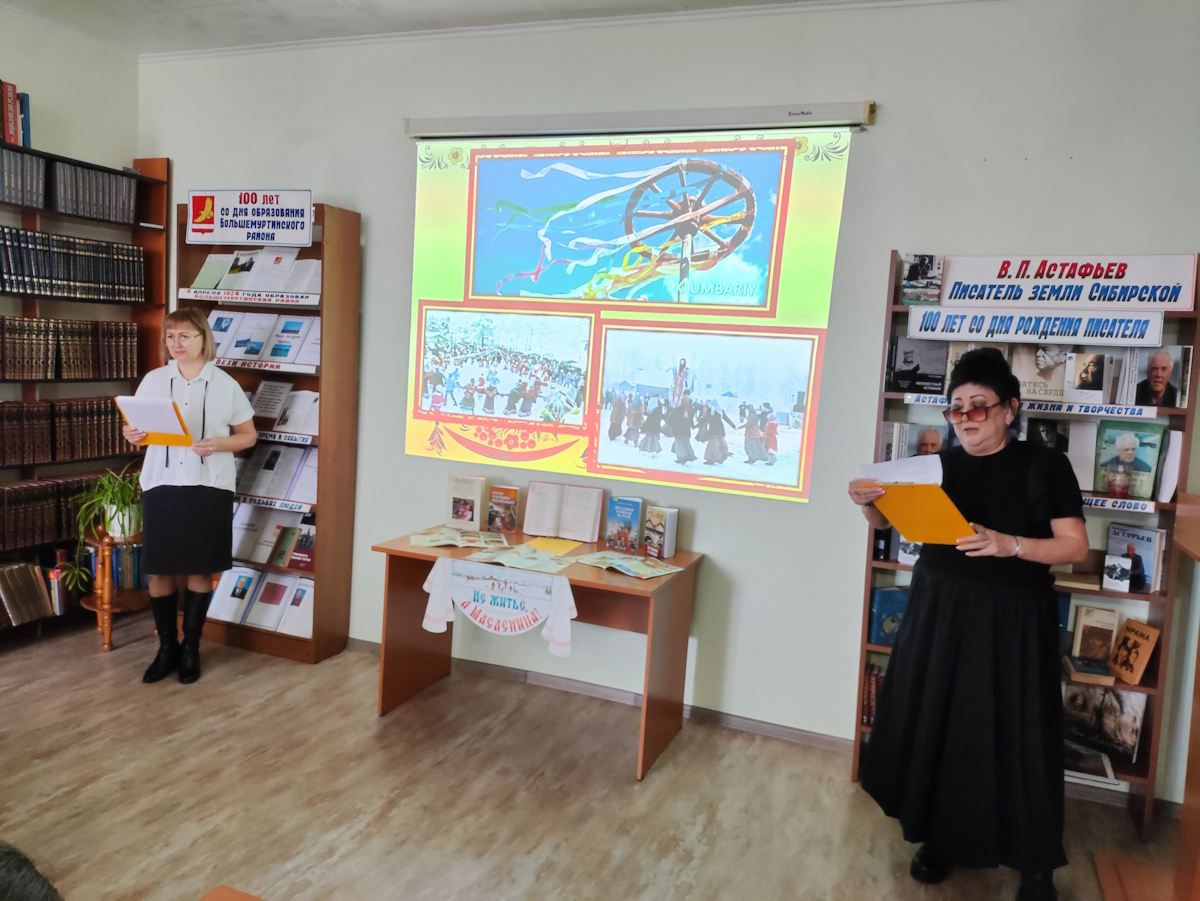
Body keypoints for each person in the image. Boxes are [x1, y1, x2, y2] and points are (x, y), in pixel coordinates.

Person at [846, 348, 1089, 901]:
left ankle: (1035, 866)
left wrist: (1010, 544)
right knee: (941, 723)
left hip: (1012, 618)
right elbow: (890, 520)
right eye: (956, 408)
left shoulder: (1045, 465)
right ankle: (941, 836)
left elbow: (1075, 547)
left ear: (1010, 409)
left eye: (978, 405)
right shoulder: (937, 466)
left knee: (1019, 735)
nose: (965, 417)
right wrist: (867, 503)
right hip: (940, 609)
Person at [124, 308, 258, 685]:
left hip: (209, 484)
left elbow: (248, 435)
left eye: (184, 336)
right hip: (162, 483)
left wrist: (218, 444)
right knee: (160, 569)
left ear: (203, 339)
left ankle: (191, 648)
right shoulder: (154, 380)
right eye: (170, 337)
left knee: (200, 568)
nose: (176, 343)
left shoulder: (225, 384)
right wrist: (132, 435)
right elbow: (139, 431)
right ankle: (166, 647)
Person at [668, 395, 697, 464]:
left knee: (679, 445)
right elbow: (690, 420)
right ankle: (688, 456)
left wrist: (673, 425)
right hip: (686, 431)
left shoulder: (678, 410)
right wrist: (693, 426)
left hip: (678, 430)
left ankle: (682, 458)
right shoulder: (690, 410)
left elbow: (670, 417)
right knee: (685, 444)